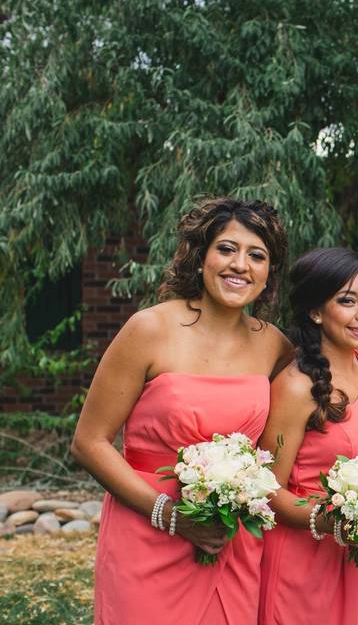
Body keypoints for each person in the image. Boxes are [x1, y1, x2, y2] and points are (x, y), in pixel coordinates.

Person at [71, 198, 291, 624]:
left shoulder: (274, 345)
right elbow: (89, 442)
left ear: (269, 274)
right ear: (201, 256)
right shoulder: (149, 330)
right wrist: (168, 515)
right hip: (146, 532)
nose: (240, 265)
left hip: (230, 544)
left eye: (257, 255)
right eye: (227, 249)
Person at [257, 247, 358, 625]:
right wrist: (332, 521)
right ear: (315, 311)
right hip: (302, 562)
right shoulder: (295, 386)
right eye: (347, 301)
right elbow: (266, 489)